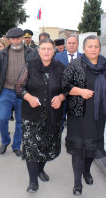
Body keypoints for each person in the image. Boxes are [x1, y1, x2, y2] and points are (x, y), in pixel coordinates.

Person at [61, 35, 106, 195]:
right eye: (90, 46)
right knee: (79, 149)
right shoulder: (75, 64)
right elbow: (64, 86)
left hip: (97, 115)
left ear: (99, 49)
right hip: (78, 115)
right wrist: (80, 91)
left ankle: (87, 171)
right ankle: (77, 183)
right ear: (84, 49)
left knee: (93, 147)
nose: (93, 49)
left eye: (96, 46)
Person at [15, 38, 65, 193]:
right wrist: (28, 97)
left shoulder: (60, 67)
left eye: (50, 49)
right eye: (43, 48)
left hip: (52, 115)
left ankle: (40, 169)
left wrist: (61, 97)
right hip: (32, 115)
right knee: (31, 147)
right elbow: (18, 87)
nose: (46, 52)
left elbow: (67, 88)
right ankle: (32, 181)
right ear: (38, 50)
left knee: (47, 146)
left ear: (54, 50)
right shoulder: (30, 66)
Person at [0, 27, 37, 157]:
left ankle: (16, 146)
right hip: (6, 90)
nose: (16, 41)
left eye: (18, 38)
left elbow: (36, 72)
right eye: (13, 39)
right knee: (3, 118)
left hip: (24, 92)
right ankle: (5, 141)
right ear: (9, 39)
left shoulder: (32, 52)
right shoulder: (2, 54)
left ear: (22, 38)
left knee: (20, 121)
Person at [55, 35, 82, 126]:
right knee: (59, 120)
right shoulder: (58, 56)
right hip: (61, 93)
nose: (71, 45)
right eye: (69, 43)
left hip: (77, 95)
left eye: (74, 43)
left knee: (75, 121)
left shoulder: (83, 58)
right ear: (66, 44)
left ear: (78, 44)